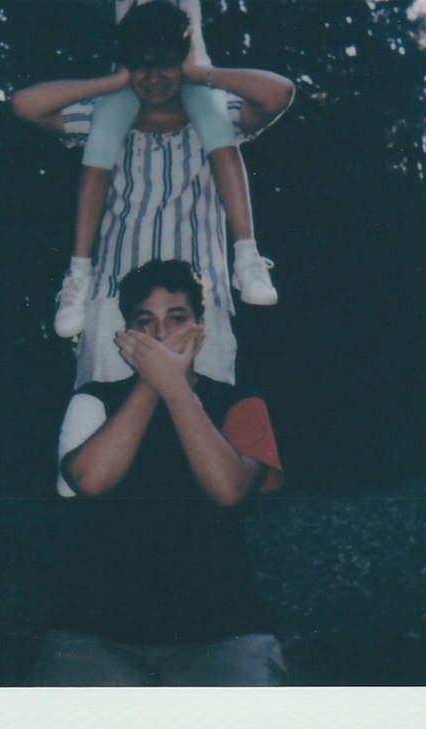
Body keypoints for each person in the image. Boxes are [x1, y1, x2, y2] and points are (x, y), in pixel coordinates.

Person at [30, 258, 287, 686]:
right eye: (145, 321)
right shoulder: (92, 400)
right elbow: (91, 480)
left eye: (177, 318)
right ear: (128, 332)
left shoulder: (242, 404)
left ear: (201, 328)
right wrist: (156, 381)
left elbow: (228, 490)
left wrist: (172, 385)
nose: (161, 334)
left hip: (225, 634)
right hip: (96, 633)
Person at [11, 0, 294, 388]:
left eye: (165, 63)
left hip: (199, 304)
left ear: (181, 61)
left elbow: (278, 93)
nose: (155, 76)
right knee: (108, 421)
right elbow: (25, 105)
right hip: (113, 299)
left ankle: (250, 261)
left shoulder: (217, 118)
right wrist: (112, 83)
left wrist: (201, 72)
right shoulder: (103, 119)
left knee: (201, 423)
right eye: (142, 64)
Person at [54, 0, 278, 340]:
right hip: (130, 75)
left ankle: (247, 257)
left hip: (190, 72)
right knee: (98, 151)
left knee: (221, 138)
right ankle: (77, 276)